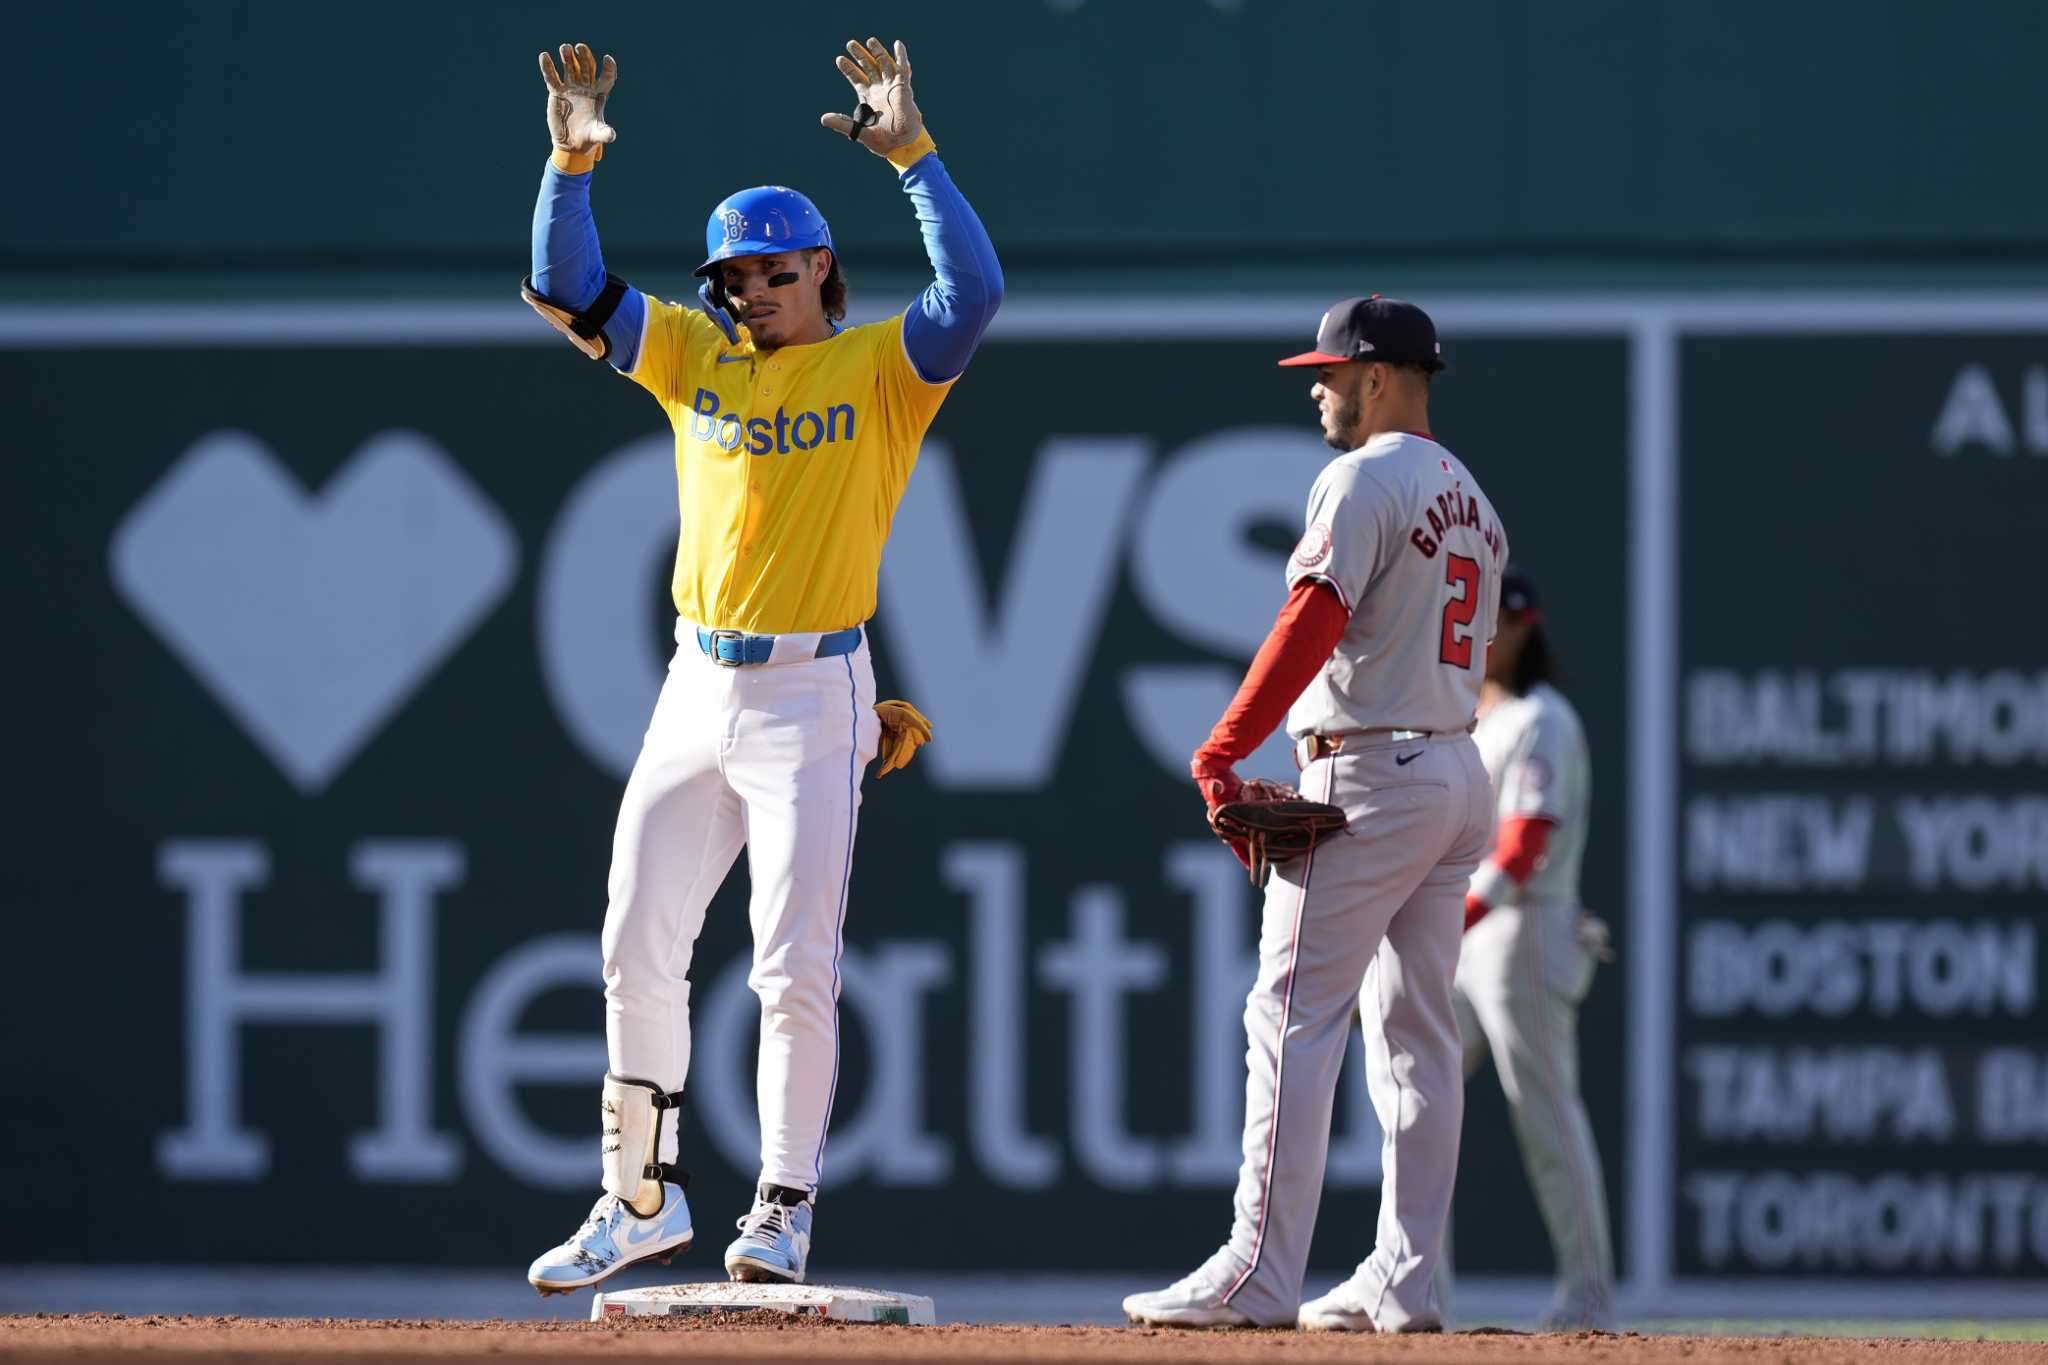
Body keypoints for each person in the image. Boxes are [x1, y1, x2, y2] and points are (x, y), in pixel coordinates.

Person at [518, 38, 1001, 1293]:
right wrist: (570, 159)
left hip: (811, 690)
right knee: (635, 938)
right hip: (694, 684)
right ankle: (638, 1197)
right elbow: (561, 281)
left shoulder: (880, 370)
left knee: (791, 963)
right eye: (731, 277)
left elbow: (974, 296)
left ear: (821, 269)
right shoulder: (692, 354)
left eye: (772, 273)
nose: (749, 293)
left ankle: (781, 1207)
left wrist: (914, 159)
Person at [1123, 296, 1507, 1333]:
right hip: (1453, 771)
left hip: (1370, 776)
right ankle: (1405, 1279)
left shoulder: (1360, 476)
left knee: (1287, 1020)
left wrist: (1223, 745)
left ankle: (1257, 1274)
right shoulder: (1473, 499)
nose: (1316, 388)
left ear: (1377, 378)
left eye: (1330, 373)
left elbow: (1313, 614)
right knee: (1416, 1038)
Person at [1451, 565, 1615, 1330]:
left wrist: (1455, 916)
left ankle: (1588, 1297)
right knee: (1412, 1099)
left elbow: (1526, 842)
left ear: (1526, 627)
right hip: (1469, 932)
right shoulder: (1466, 718)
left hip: (1526, 931)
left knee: (1544, 1115)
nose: (1492, 637)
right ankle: (1416, 1288)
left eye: (1504, 622)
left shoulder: (1541, 718)